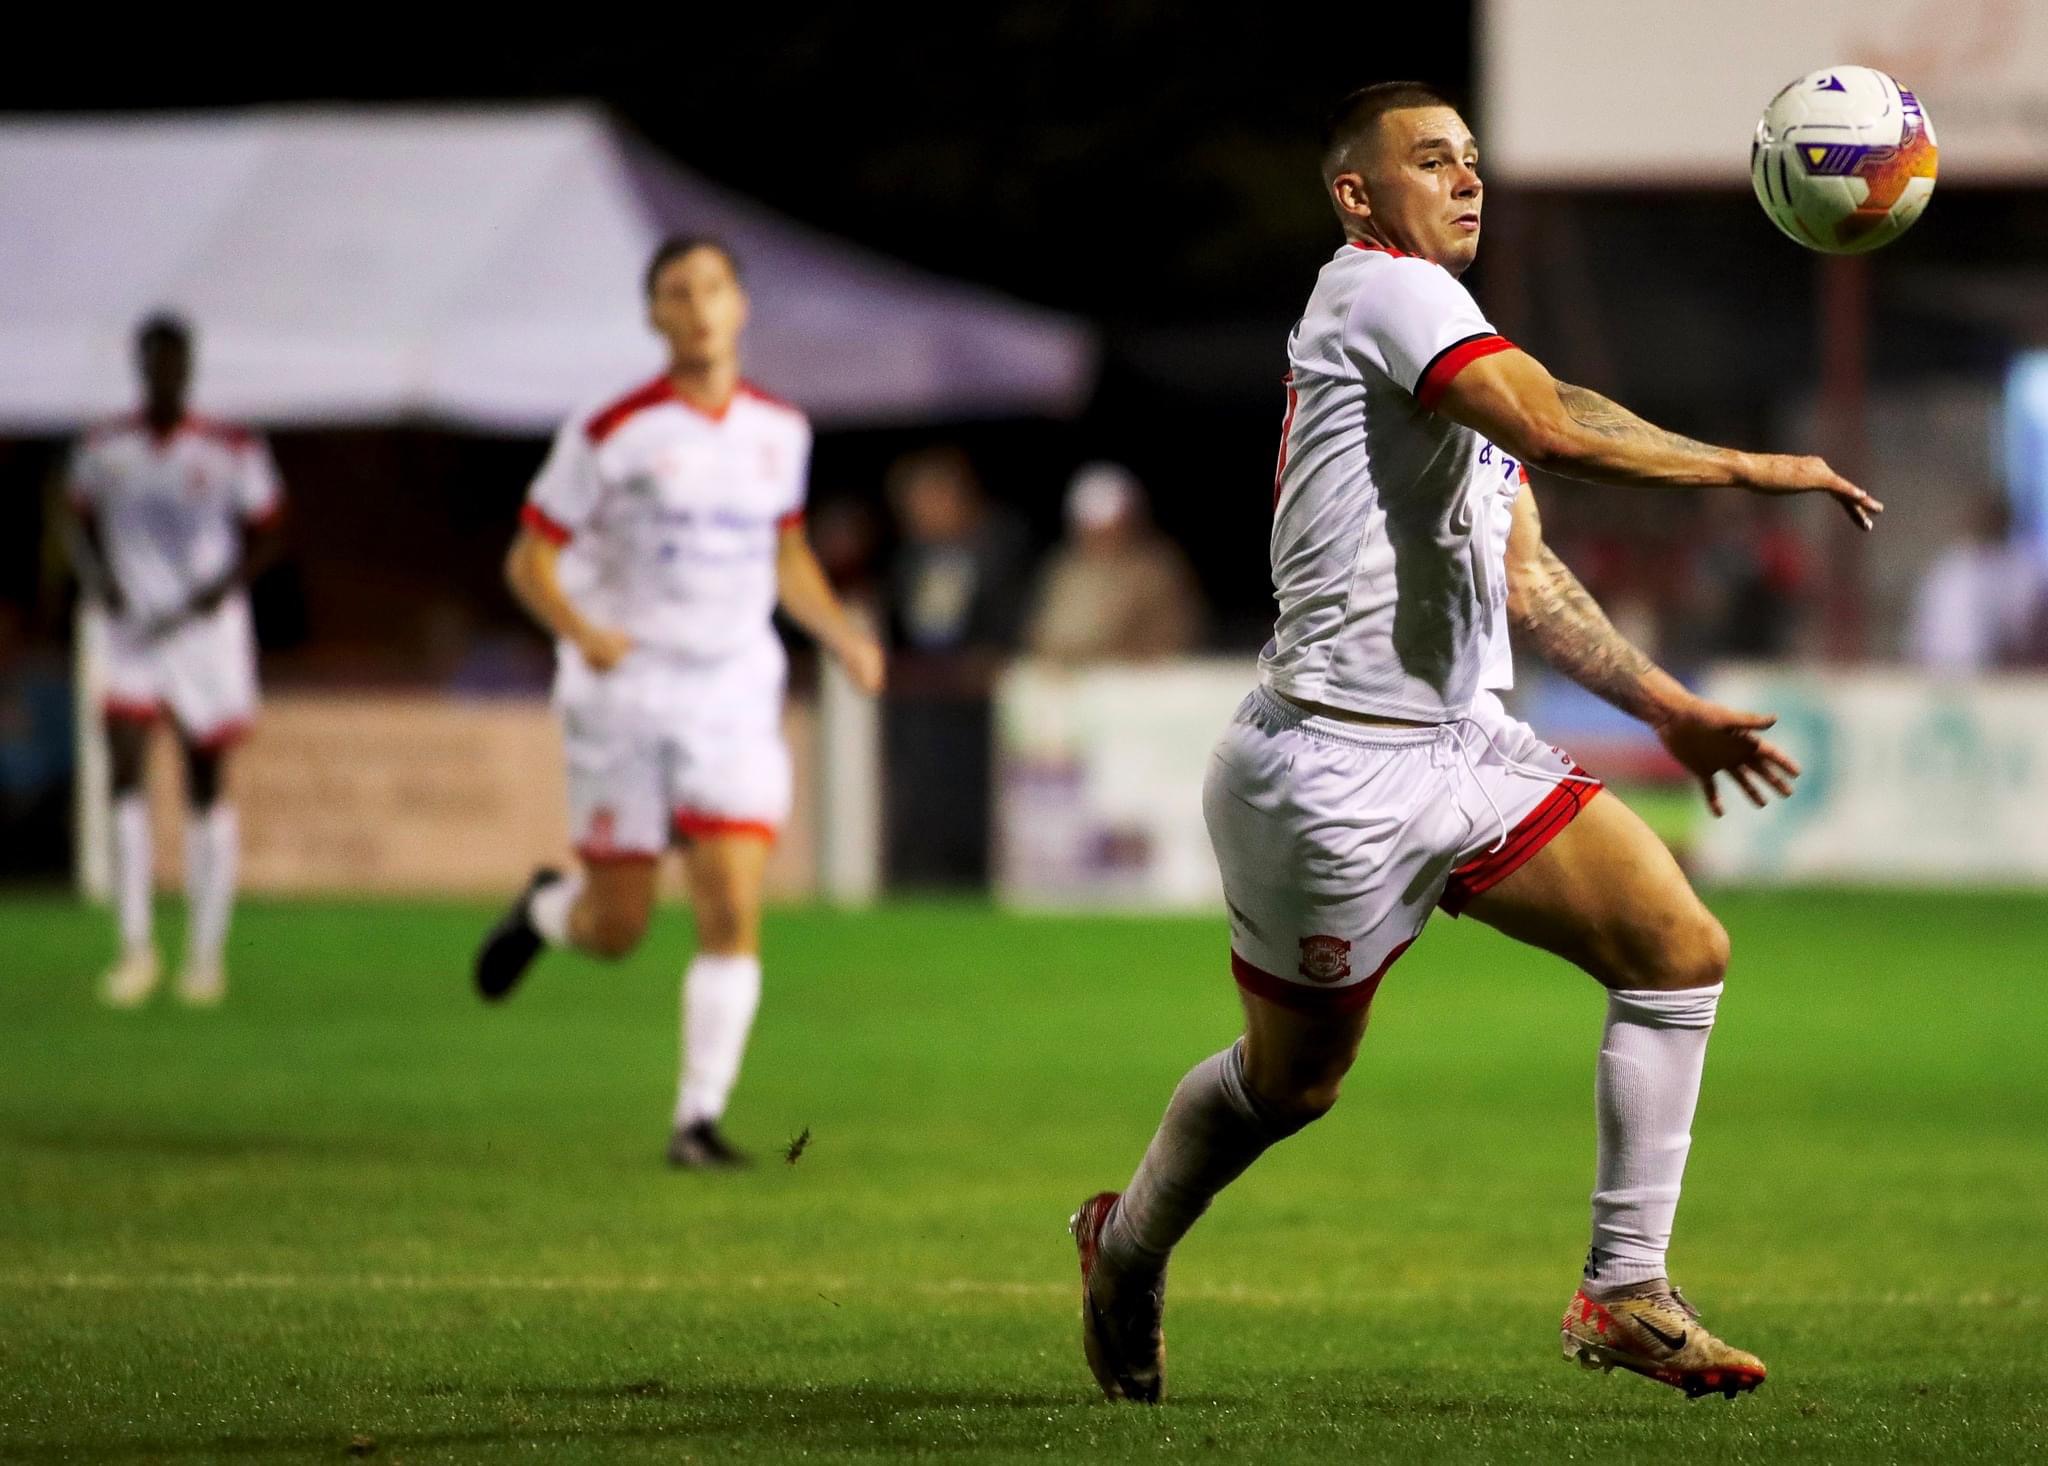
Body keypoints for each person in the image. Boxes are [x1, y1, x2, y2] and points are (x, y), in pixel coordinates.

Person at [1068, 83, 1883, 1405]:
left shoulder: (1452, 348)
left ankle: (1625, 1287)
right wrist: (1757, 469)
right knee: (1292, 1085)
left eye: (1474, 160)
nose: (1466, 180)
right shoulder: (1372, 289)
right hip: (1328, 762)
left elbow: (1527, 576)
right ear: (1357, 195)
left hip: (1460, 749)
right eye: (1431, 159)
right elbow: (1557, 422)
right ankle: (1129, 1240)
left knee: (1680, 946)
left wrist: (1665, 707)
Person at [472, 237, 885, 1169]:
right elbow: (527, 561)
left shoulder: (781, 432)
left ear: (740, 305)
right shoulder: (612, 431)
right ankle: (547, 911)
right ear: (654, 316)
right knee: (617, 929)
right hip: (625, 690)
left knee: (731, 905)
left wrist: (844, 635)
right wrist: (581, 631)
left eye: (711, 288)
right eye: (675, 293)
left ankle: (695, 1120)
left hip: (734, 688)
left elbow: (785, 555)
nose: (697, 307)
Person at [67, 314, 285, 1008]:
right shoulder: (107, 448)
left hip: (204, 634)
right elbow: (68, 513)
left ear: (189, 368)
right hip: (132, 627)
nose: (165, 374)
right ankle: (135, 948)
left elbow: (273, 528)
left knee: (204, 778)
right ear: (141, 366)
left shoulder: (229, 448)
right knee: (125, 770)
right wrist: (97, 577)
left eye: (175, 362)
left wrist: (227, 585)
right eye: (155, 361)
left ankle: (204, 953)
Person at [1026, 462, 1207, 664]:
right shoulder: (1064, 571)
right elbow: (1042, 635)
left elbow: (1176, 637)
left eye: (1115, 529)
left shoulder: (1158, 570)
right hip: (1071, 689)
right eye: (1095, 532)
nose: (1107, 541)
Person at [1906, 493, 2044, 671]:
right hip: (1938, 671)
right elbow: (1920, 633)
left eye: (1994, 518)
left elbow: (2023, 633)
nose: (1988, 522)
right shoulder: (1949, 568)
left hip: (1995, 678)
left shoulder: (2020, 569)